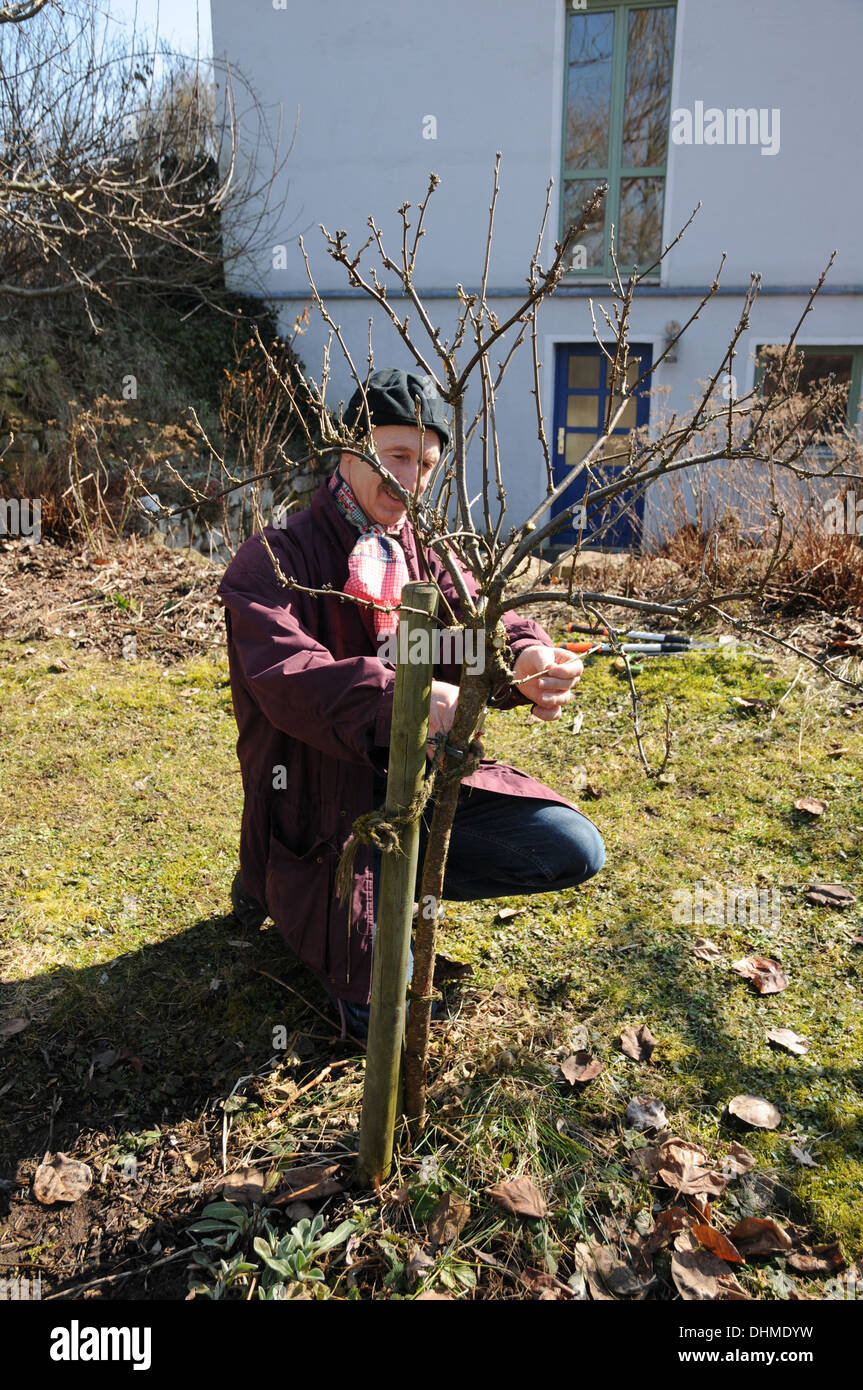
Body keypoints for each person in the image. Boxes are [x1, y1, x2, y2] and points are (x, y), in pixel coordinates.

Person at [216, 369, 604, 1037]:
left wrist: (524, 659)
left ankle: (400, 889)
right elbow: (290, 679)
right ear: (347, 454)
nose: (412, 481)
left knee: (571, 847)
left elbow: (478, 623)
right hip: (319, 806)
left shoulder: (422, 553)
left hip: (420, 786)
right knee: (382, 1020)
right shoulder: (271, 560)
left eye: (425, 464)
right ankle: (287, 892)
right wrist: (412, 698)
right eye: (395, 457)